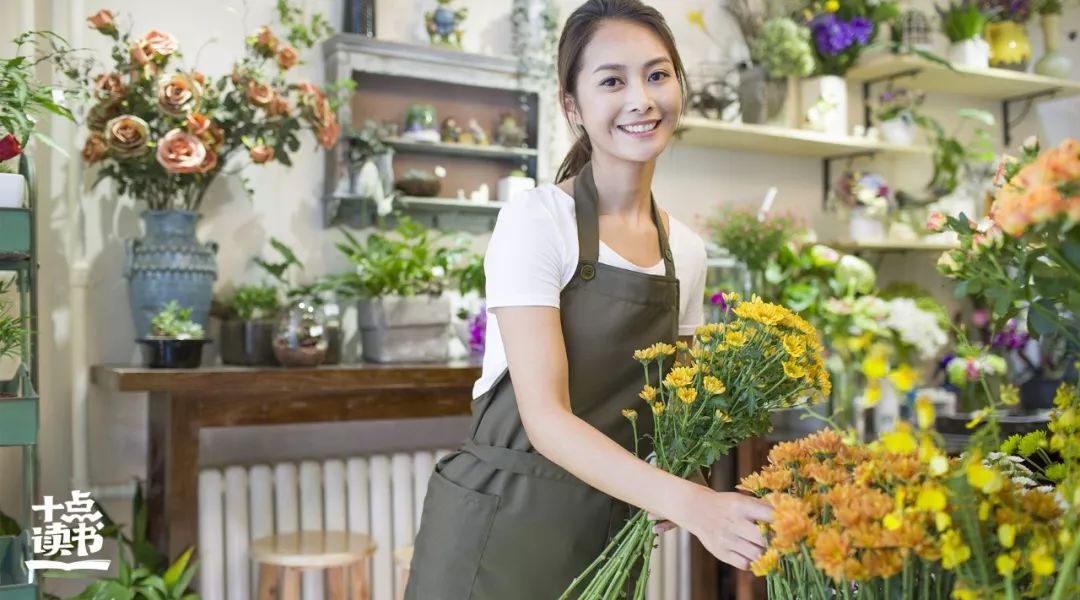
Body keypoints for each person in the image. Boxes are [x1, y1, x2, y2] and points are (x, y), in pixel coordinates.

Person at [405, 1, 773, 597]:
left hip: (606, 529)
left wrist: (683, 465)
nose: (641, 99)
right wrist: (694, 503)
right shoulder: (536, 219)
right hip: (500, 527)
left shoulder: (687, 251)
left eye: (658, 75)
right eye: (612, 81)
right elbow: (546, 418)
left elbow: (674, 399)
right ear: (572, 107)